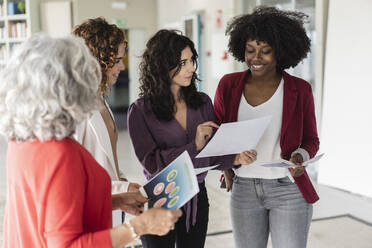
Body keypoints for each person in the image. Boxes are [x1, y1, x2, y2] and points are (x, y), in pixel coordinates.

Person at [0, 34, 182, 248]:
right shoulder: (60, 153)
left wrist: (115, 201)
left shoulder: (21, 139)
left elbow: (55, 211)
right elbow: (68, 245)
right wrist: (139, 227)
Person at [127, 29, 257, 248]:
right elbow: (152, 163)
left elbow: (214, 151)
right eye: (183, 63)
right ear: (162, 65)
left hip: (197, 198)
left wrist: (236, 158)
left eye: (191, 61)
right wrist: (194, 145)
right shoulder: (140, 111)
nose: (191, 68)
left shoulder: (203, 102)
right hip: (159, 199)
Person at [214, 6, 320, 248]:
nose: (256, 58)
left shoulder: (299, 89)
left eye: (265, 51)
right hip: (244, 190)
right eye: (250, 50)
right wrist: (229, 164)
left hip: (288, 190)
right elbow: (218, 136)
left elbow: (312, 140)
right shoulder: (229, 86)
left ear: (280, 52)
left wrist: (300, 157)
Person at [72, 17, 140, 224]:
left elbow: (105, 161)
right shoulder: (75, 108)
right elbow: (74, 179)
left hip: (110, 205)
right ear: (97, 61)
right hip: (87, 215)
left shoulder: (98, 99)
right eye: (117, 60)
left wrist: (124, 183)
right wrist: (122, 189)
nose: (122, 67)